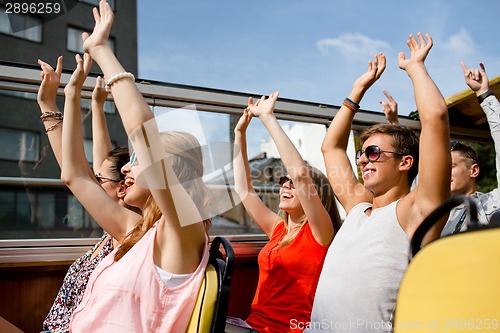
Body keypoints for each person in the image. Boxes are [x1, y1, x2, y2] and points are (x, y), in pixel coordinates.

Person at [63, 1, 210, 331]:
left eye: (138, 159)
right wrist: (71, 95)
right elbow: (74, 176)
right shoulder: (139, 231)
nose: (126, 169)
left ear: (169, 170)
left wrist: (101, 49)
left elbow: (143, 132)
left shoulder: (184, 233)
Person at [306, 33, 451, 333]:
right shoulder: (357, 205)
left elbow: (435, 118)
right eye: (361, 154)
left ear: (405, 162)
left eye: (373, 153)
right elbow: (331, 148)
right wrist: (357, 90)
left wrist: (415, 69)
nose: (361, 161)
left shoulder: (416, 210)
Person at [36, 56, 134, 333]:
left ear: (123, 188)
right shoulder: (114, 231)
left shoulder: (126, 232)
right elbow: (94, 163)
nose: (92, 180)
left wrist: (62, 99)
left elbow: (74, 173)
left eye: (98, 179)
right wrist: (97, 106)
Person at [233, 91, 341, 332]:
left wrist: (268, 118)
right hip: (255, 325)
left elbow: (302, 175)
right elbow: (244, 190)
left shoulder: (319, 233)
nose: (285, 185)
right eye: (284, 180)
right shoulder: (279, 230)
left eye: (292, 183)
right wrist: (239, 134)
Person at [441, 61, 500, 236]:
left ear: (473, 170)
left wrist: (484, 94)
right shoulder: (436, 216)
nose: (443, 173)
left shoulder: (492, 202)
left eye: (451, 167)